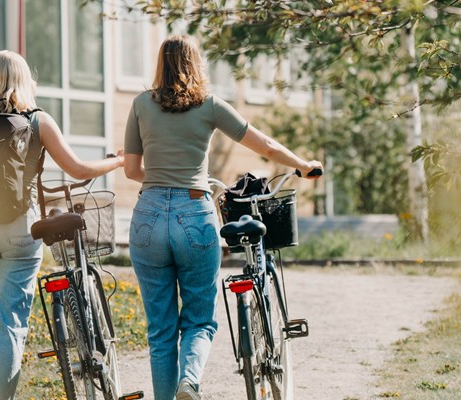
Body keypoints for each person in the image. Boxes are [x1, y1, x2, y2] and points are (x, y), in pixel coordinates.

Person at [122, 35, 323, 400]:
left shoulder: (139, 105)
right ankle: (189, 381)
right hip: (194, 212)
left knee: (161, 330)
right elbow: (265, 146)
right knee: (199, 319)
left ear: (160, 65)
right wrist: (303, 165)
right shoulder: (209, 106)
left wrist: (160, 178)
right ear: (196, 64)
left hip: (147, 215)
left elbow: (132, 170)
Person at [0, 50, 124, 400]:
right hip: (18, 230)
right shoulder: (37, 120)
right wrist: (115, 162)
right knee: (9, 322)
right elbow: (79, 171)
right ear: (26, 79)